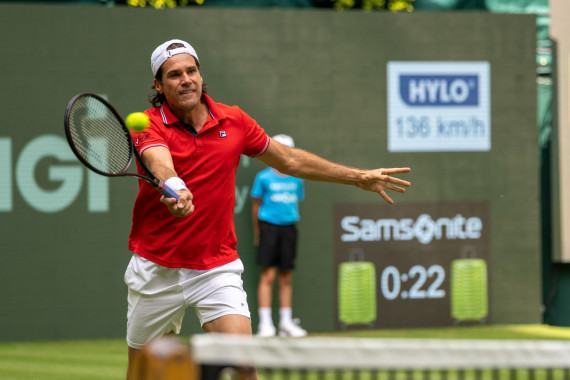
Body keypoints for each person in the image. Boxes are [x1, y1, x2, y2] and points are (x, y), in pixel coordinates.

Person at [124, 38, 411, 379]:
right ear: (158, 84)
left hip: (215, 266)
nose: (185, 79)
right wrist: (176, 189)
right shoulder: (147, 123)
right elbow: (161, 164)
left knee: (245, 365)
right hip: (156, 267)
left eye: (191, 71)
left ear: (201, 75)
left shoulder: (234, 121)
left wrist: (357, 177)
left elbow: (288, 159)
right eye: (174, 75)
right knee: (144, 373)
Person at [250, 134, 306, 337]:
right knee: (268, 276)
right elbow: (256, 206)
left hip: (289, 229)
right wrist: (258, 232)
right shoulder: (263, 178)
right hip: (269, 229)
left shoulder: (298, 178)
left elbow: (296, 201)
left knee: (286, 276)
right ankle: (265, 324)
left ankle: (285, 324)